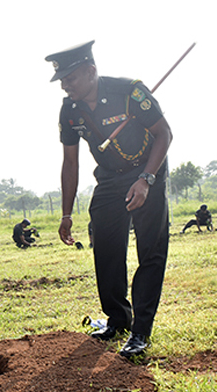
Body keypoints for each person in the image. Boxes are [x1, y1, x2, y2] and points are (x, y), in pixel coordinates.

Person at [48, 40, 172, 358]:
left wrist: (146, 180)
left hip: (147, 172)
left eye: (70, 78)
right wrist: (65, 214)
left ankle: (141, 331)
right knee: (105, 247)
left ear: (91, 71)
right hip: (110, 179)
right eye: (61, 80)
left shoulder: (130, 92)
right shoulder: (70, 109)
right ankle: (118, 320)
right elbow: (70, 163)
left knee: (151, 250)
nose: (64, 85)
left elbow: (164, 134)